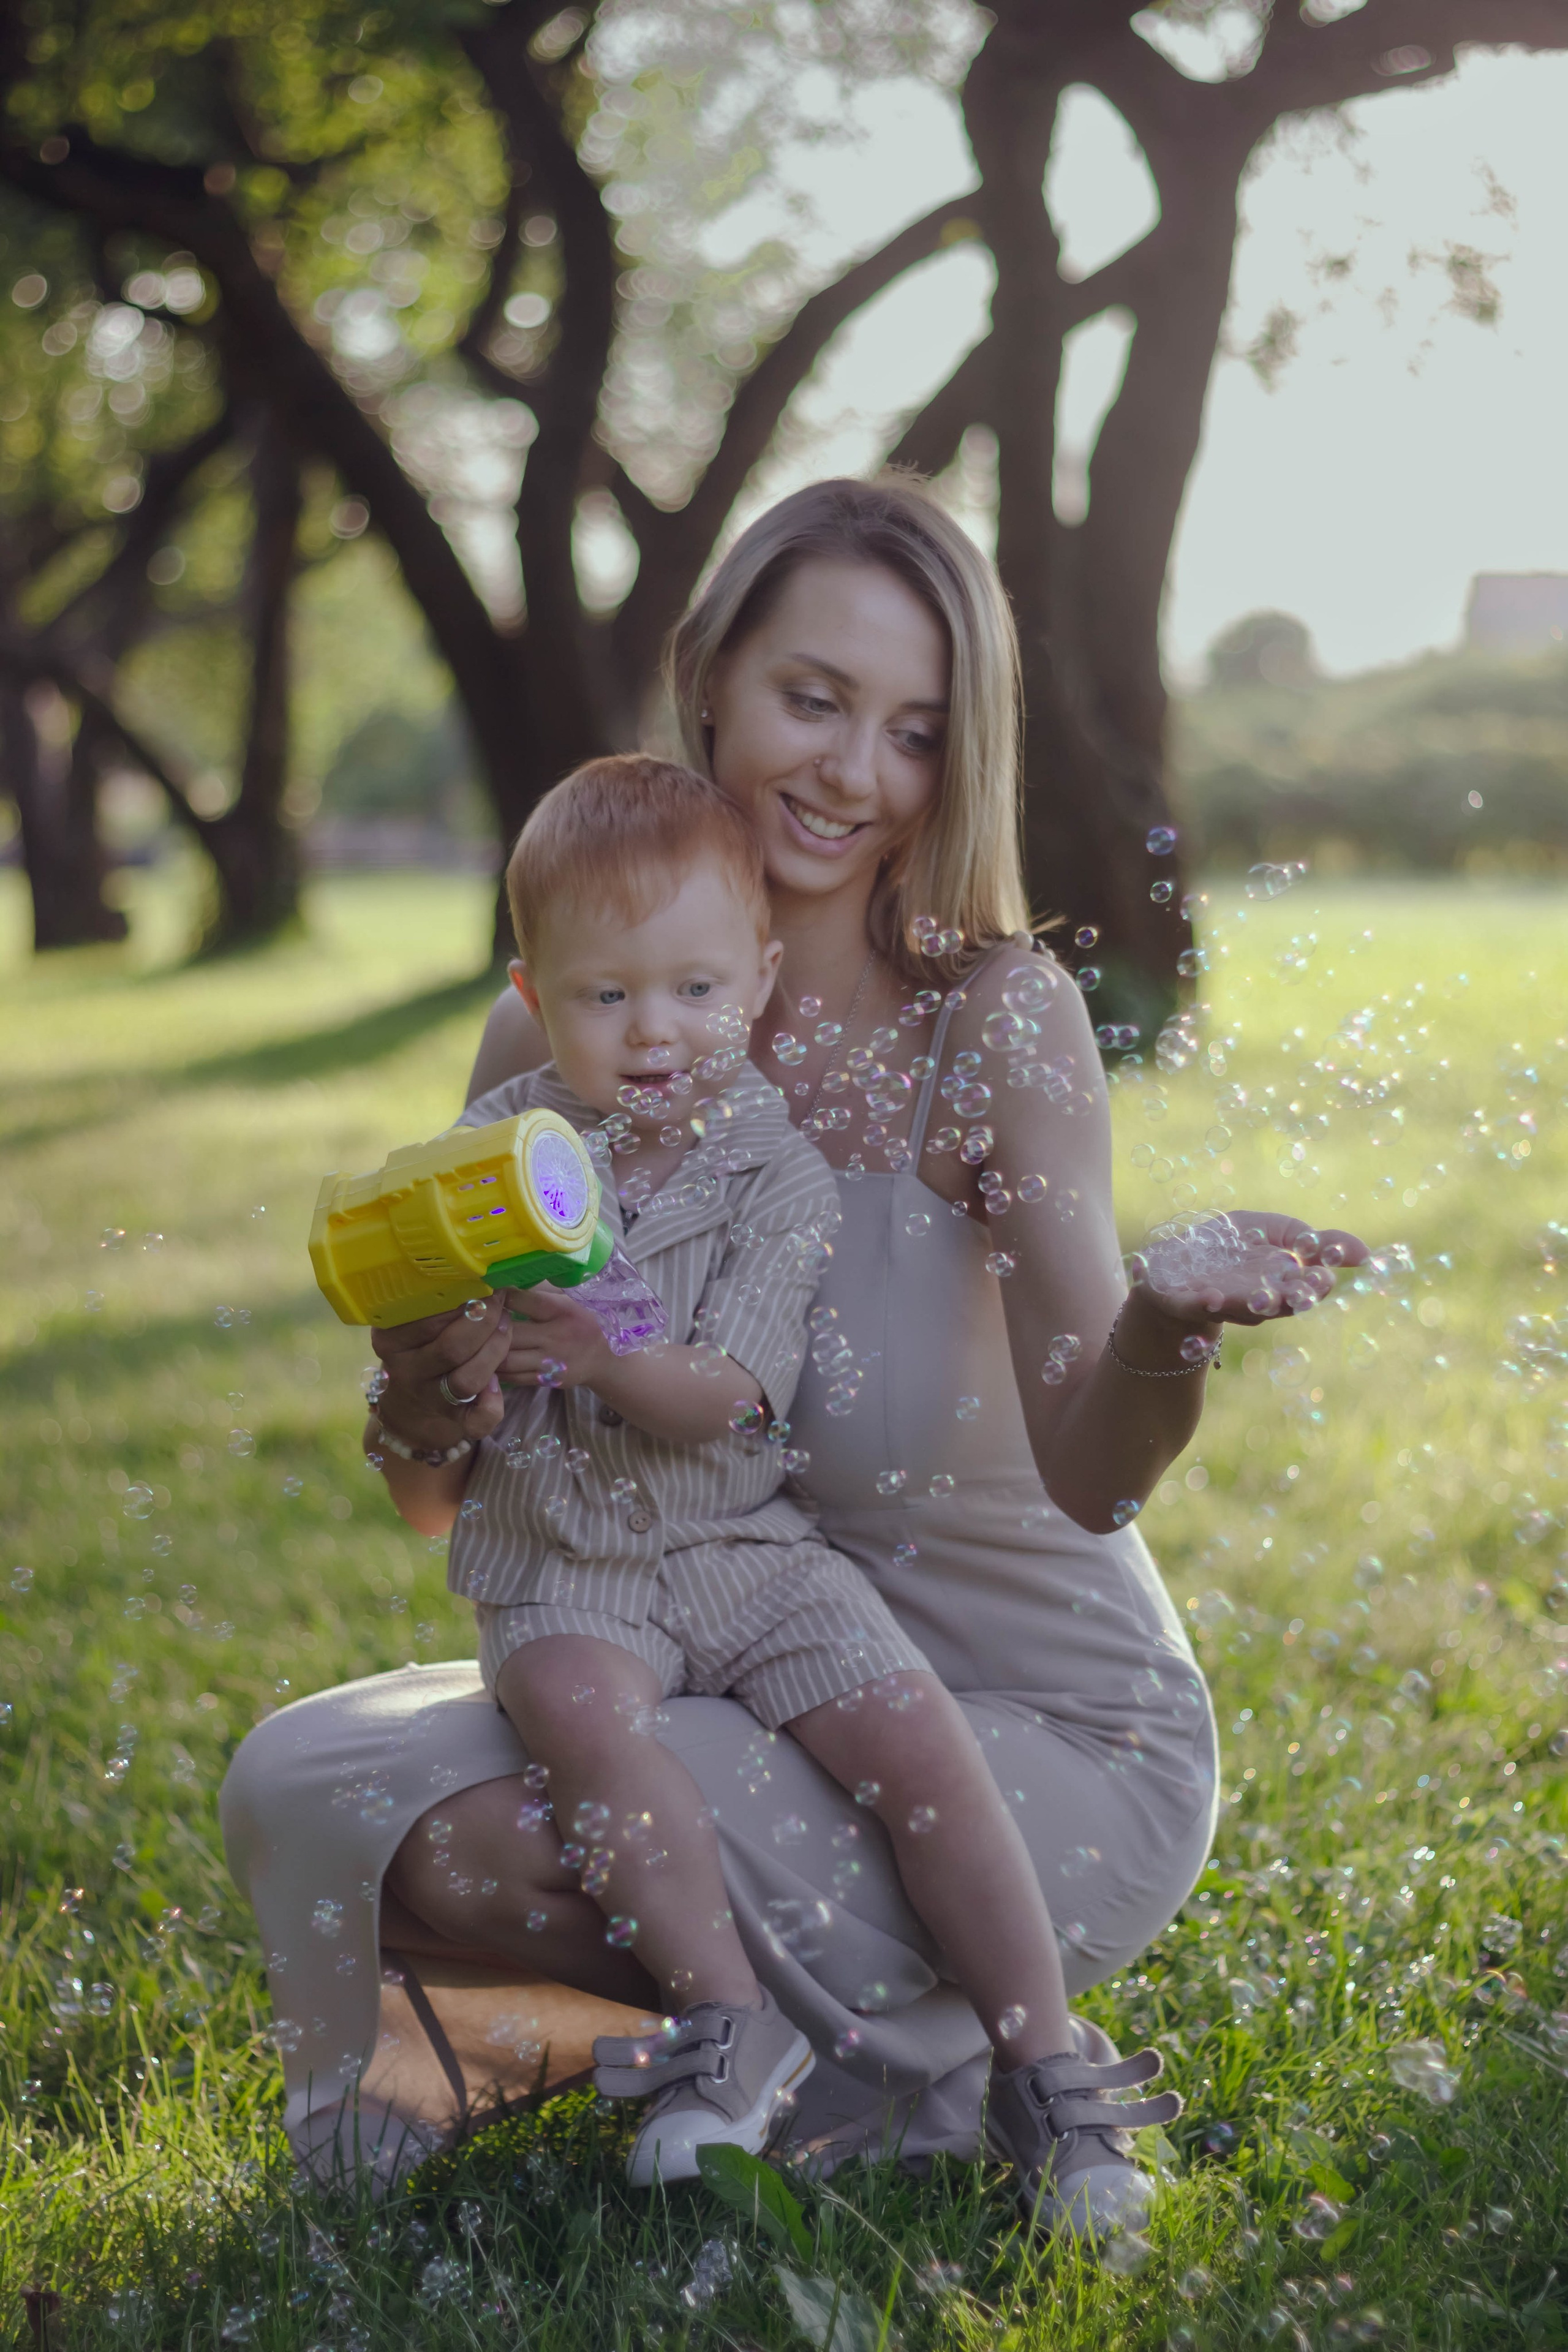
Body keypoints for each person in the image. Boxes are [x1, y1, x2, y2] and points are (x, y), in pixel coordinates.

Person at [221, 473, 1363, 2233]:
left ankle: (914, 2063)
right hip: (712, 1654)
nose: (852, 772)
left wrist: (1156, 1318)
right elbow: (444, 1487)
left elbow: (1093, 1467)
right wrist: (426, 1393)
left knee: (505, 1844)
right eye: (813, 700)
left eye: (914, 731)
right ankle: (782, 2038)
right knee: (321, 1784)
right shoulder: (558, 1023)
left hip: (1022, 1731)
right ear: (709, 681)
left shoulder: (994, 1017)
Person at [380, 749, 1163, 2207]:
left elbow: (730, 1393)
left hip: (740, 1537)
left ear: (754, 978)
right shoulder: (497, 1155)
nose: (656, 1031)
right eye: (607, 997)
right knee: (570, 1716)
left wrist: (600, 1348)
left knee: (911, 1744)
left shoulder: (777, 1170)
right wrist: (440, 1370)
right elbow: (429, 1399)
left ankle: (1045, 2069)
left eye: (692, 991)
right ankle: (722, 2024)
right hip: (567, 1557)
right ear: (535, 994)